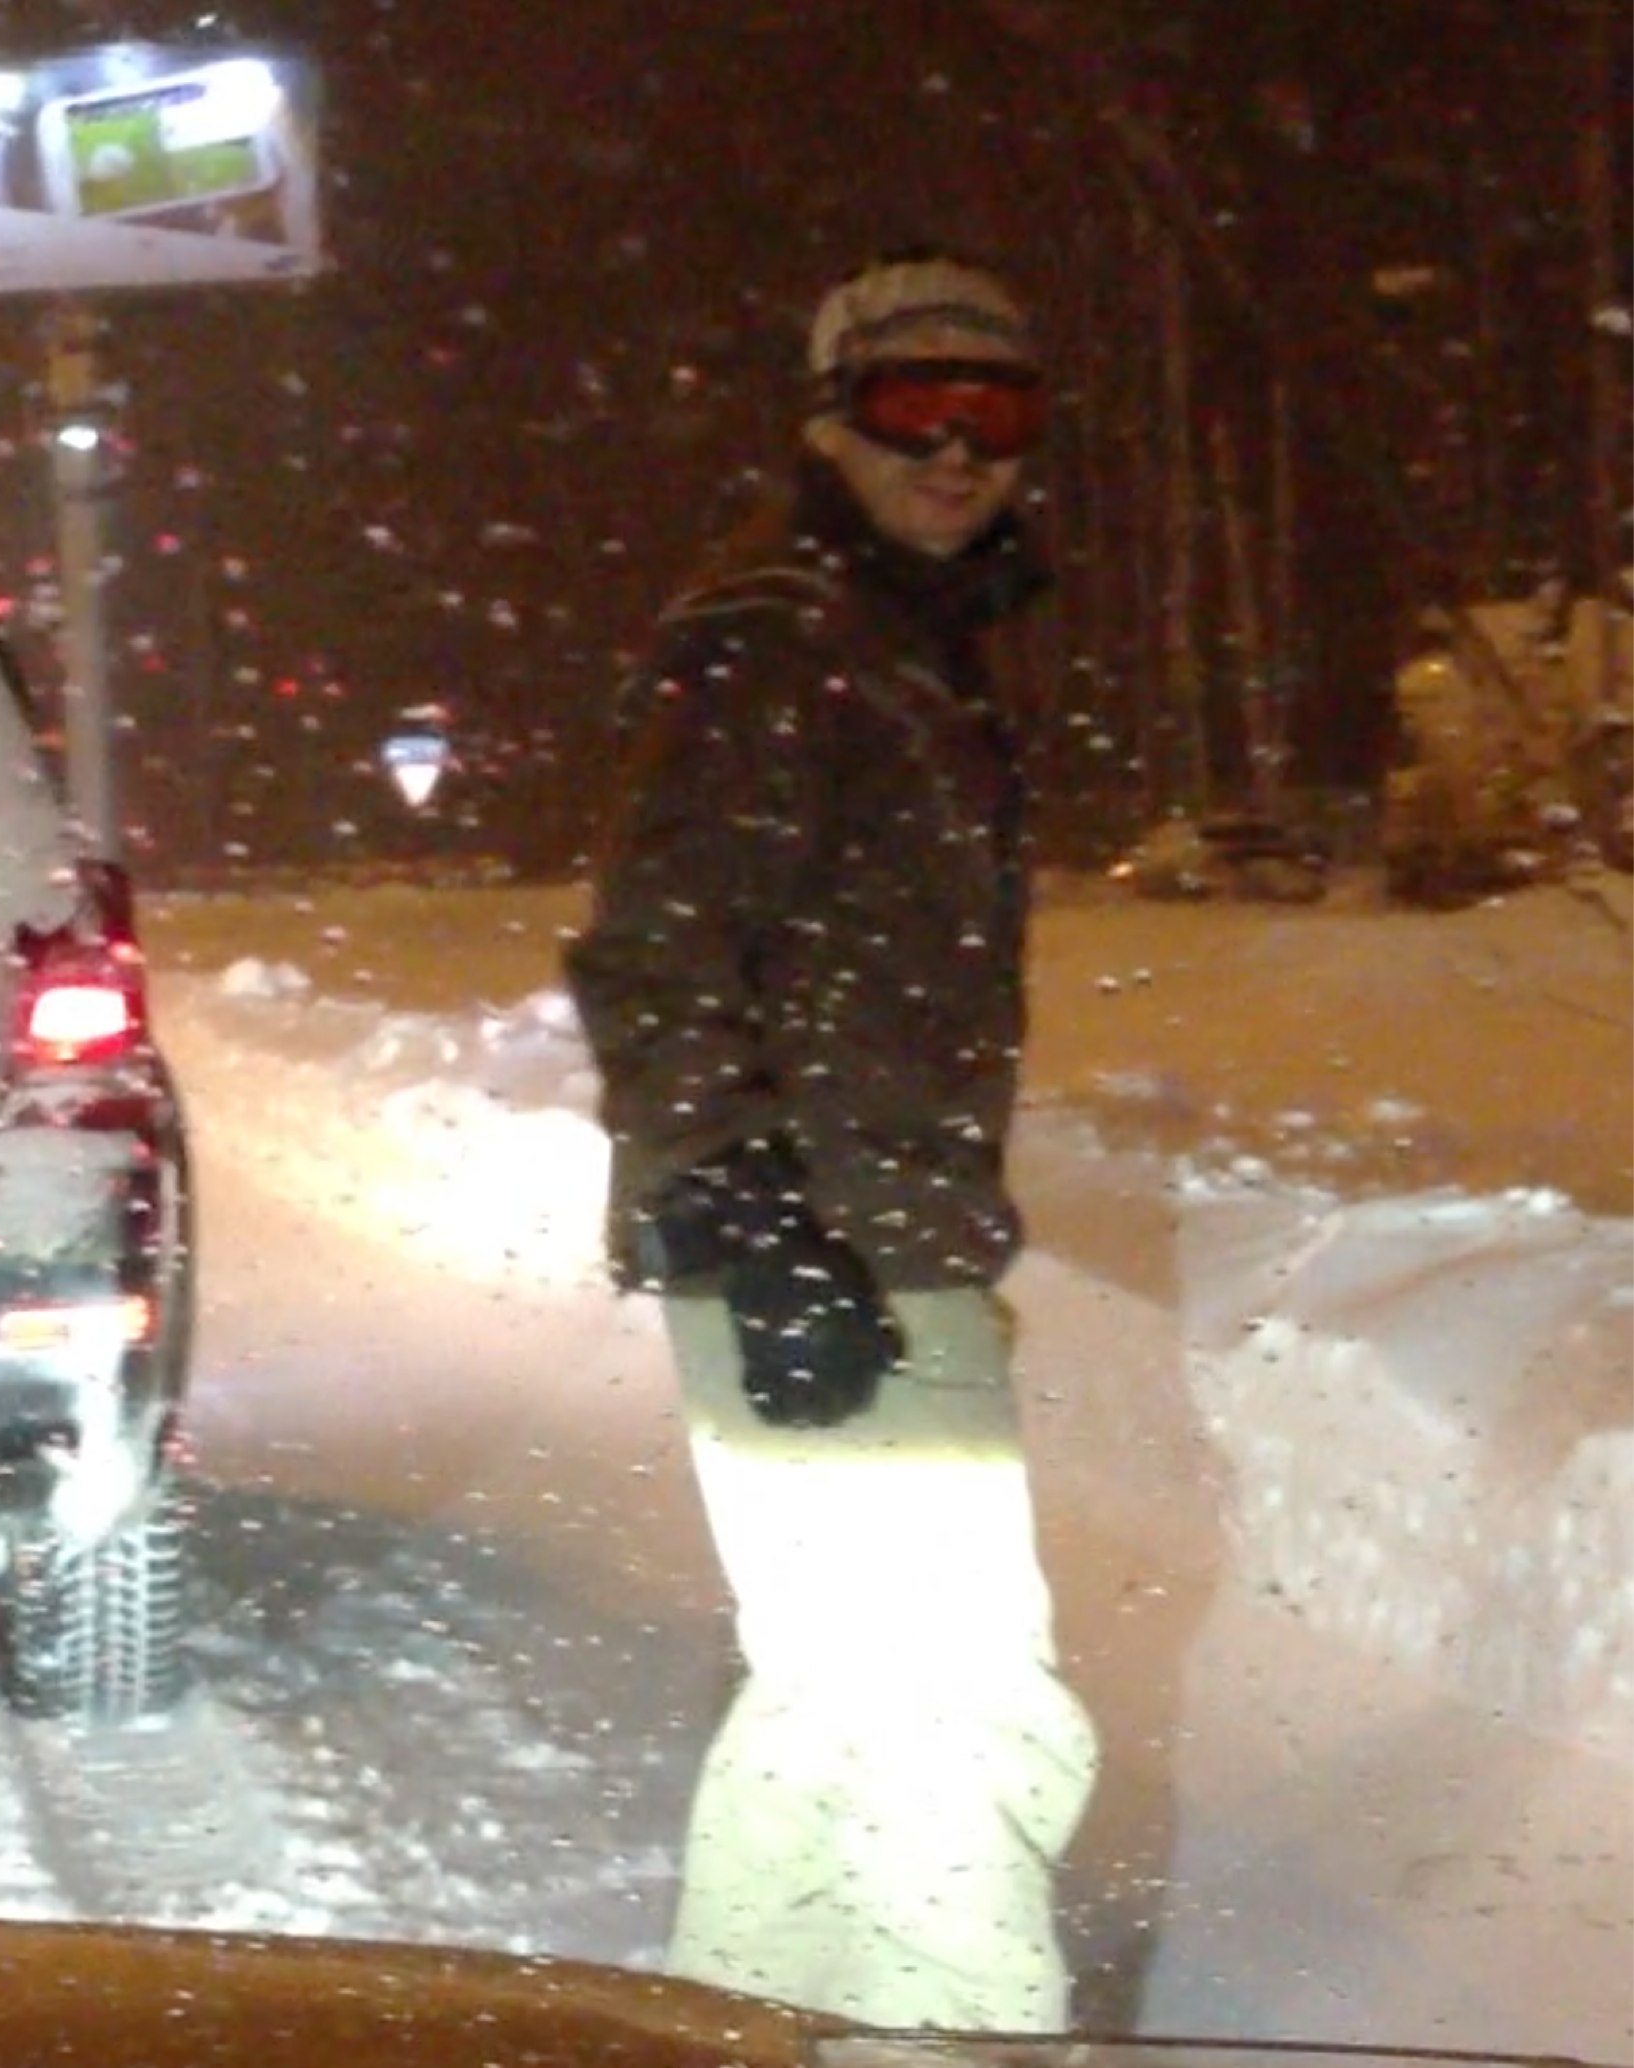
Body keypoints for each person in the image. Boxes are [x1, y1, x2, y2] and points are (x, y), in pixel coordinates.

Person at [563, 247, 1099, 2033]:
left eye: (996, 415)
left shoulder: (892, 642)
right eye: (909, 411)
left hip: (863, 1230)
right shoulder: (785, 642)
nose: (957, 454)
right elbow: (653, 947)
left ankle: (765, 2027)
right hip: (822, 1243)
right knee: (949, 1704)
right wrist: (747, 1218)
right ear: (827, 425)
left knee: (845, 1697)